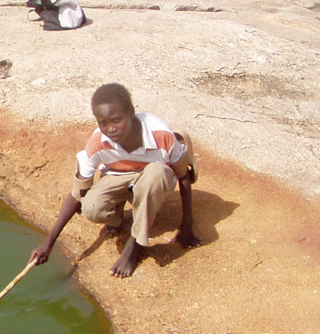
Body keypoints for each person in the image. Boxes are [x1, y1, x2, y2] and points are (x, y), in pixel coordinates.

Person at [29, 83, 201, 278]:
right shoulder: (98, 142)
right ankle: (117, 216)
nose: (110, 129)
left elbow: (183, 177)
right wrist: (49, 242)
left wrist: (187, 224)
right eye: (103, 123)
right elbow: (78, 192)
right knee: (92, 207)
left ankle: (134, 246)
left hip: (155, 177)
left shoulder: (160, 134)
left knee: (156, 173)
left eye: (117, 120)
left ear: (131, 112)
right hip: (118, 176)